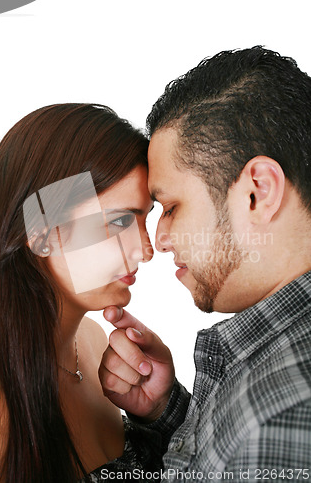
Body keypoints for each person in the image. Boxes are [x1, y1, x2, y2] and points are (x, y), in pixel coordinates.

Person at [99, 47, 311, 482]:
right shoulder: (268, 374)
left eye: (171, 207)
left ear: (258, 192)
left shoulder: (279, 422)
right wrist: (168, 411)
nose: (155, 241)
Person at [0, 103, 159, 482]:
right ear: (42, 231)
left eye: (146, 218)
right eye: (121, 221)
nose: (146, 250)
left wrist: (159, 413)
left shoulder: (94, 344)